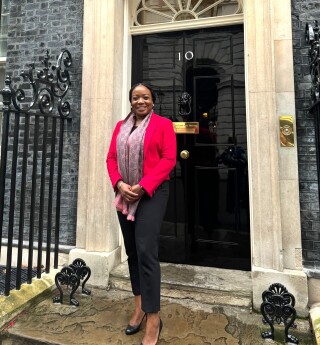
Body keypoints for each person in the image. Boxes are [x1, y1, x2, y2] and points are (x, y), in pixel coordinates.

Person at [106, 83, 177, 345]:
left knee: (146, 250)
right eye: (135, 98)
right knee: (132, 252)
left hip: (152, 193)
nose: (140, 101)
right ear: (130, 101)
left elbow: (169, 160)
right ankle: (139, 307)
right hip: (125, 193)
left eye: (145, 97)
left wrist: (143, 185)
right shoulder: (120, 127)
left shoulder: (163, 125)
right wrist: (120, 184)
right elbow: (111, 158)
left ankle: (154, 319)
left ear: (152, 101)